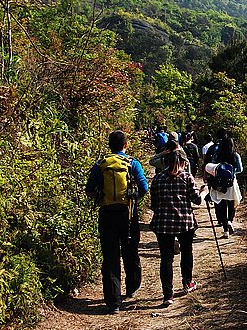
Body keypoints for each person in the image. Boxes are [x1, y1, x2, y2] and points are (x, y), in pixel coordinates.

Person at [85, 130, 149, 315]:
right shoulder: (132, 163)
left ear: (109, 145)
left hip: (106, 214)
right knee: (130, 250)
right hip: (127, 213)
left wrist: (102, 195)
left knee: (110, 256)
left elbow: (89, 190)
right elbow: (144, 188)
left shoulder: (101, 164)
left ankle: (113, 302)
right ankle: (132, 287)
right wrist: (133, 197)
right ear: (125, 145)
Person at [150, 149, 207, 306]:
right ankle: (187, 283)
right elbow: (197, 200)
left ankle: (168, 294)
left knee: (166, 258)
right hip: (184, 222)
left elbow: (153, 204)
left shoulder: (158, 178)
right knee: (186, 252)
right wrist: (203, 192)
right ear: (183, 163)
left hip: (163, 223)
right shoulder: (187, 177)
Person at [206, 136, 243, 239]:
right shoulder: (235, 155)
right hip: (231, 183)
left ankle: (225, 230)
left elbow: (213, 168)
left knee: (221, 206)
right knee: (232, 204)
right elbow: (240, 169)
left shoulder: (217, 155)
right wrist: (231, 173)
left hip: (219, 183)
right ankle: (230, 221)